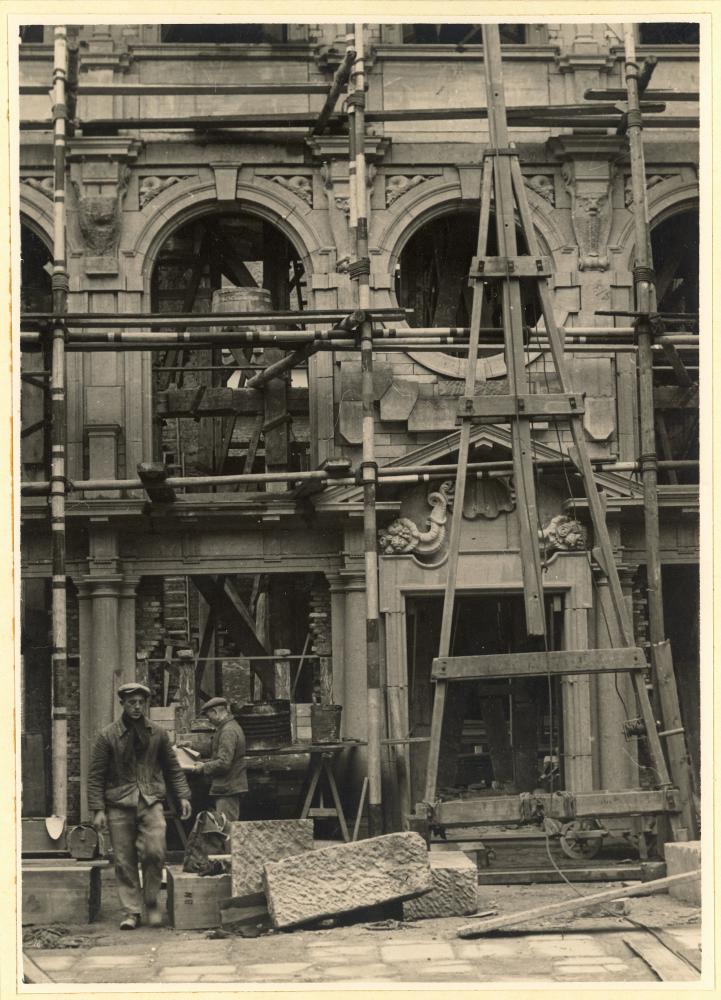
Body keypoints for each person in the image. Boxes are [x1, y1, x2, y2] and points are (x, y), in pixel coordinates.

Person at [88, 682, 192, 930]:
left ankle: (152, 901)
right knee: (124, 859)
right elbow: (96, 776)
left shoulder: (157, 733)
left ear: (145, 705)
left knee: (156, 851)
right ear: (122, 703)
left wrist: (183, 796)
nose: (136, 707)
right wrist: (98, 809)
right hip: (118, 804)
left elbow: (173, 768)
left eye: (140, 703)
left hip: (150, 800)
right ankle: (131, 912)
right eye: (131, 702)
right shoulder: (108, 736)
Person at [185, 697, 248, 822]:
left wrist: (203, 767)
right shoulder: (227, 727)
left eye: (209, 717)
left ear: (216, 712)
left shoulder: (228, 731)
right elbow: (215, 747)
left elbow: (224, 763)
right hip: (227, 786)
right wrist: (191, 746)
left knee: (226, 828)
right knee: (224, 827)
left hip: (228, 788)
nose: (209, 721)